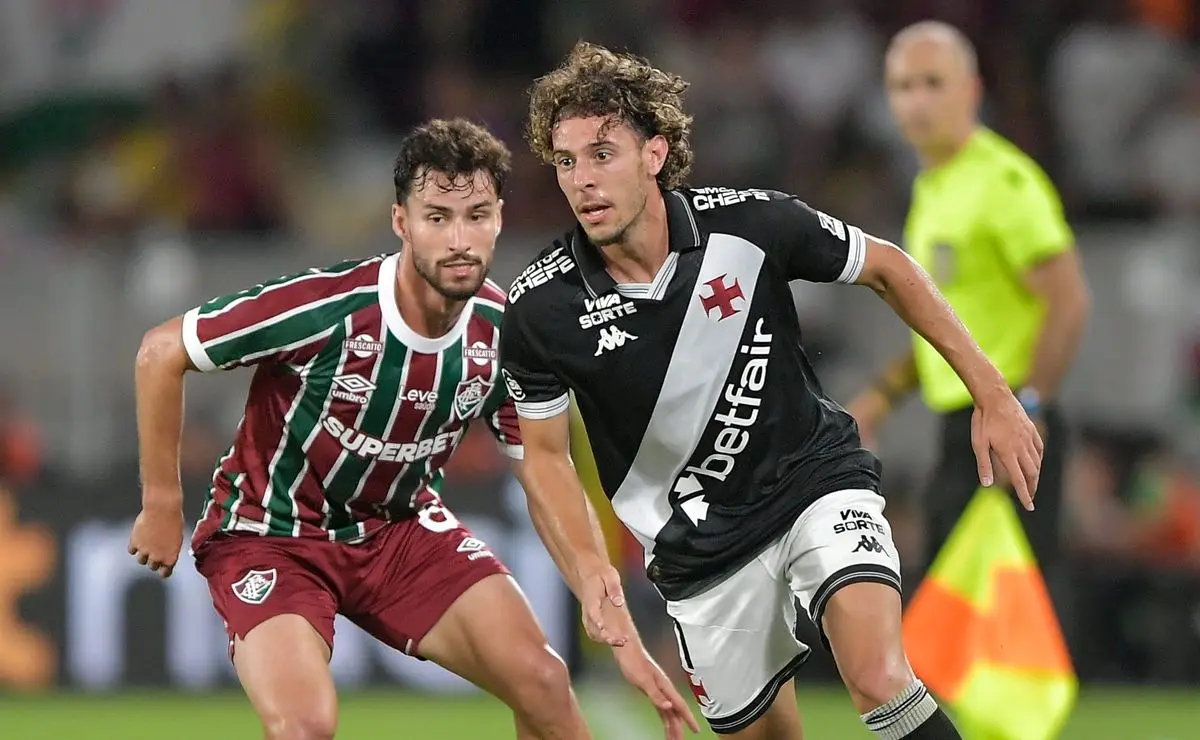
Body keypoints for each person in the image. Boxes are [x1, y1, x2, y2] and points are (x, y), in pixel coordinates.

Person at [500, 41, 1043, 740]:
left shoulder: (751, 225)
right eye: (566, 161)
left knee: (880, 679)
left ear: (656, 154)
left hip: (812, 482)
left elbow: (891, 268)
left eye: (603, 154)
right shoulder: (541, 307)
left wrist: (992, 393)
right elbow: (543, 455)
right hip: (696, 546)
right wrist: (589, 571)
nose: (583, 181)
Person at [127, 117, 694, 740]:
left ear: (499, 218)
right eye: (437, 218)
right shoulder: (329, 307)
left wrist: (598, 589)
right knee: (303, 727)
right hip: (272, 534)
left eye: (476, 216)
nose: (459, 239)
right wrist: (161, 502)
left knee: (543, 681)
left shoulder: (505, 332)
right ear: (402, 223)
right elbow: (161, 352)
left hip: (398, 530)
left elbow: (542, 466)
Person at [847, 21, 1091, 575]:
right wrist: (880, 397)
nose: (917, 101)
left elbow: (1069, 299)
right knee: (954, 602)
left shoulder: (1004, 181)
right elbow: (945, 322)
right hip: (962, 423)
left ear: (972, 91)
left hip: (1006, 419)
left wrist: (1029, 409)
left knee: (1008, 607)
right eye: (903, 87)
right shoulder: (933, 188)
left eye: (933, 83)